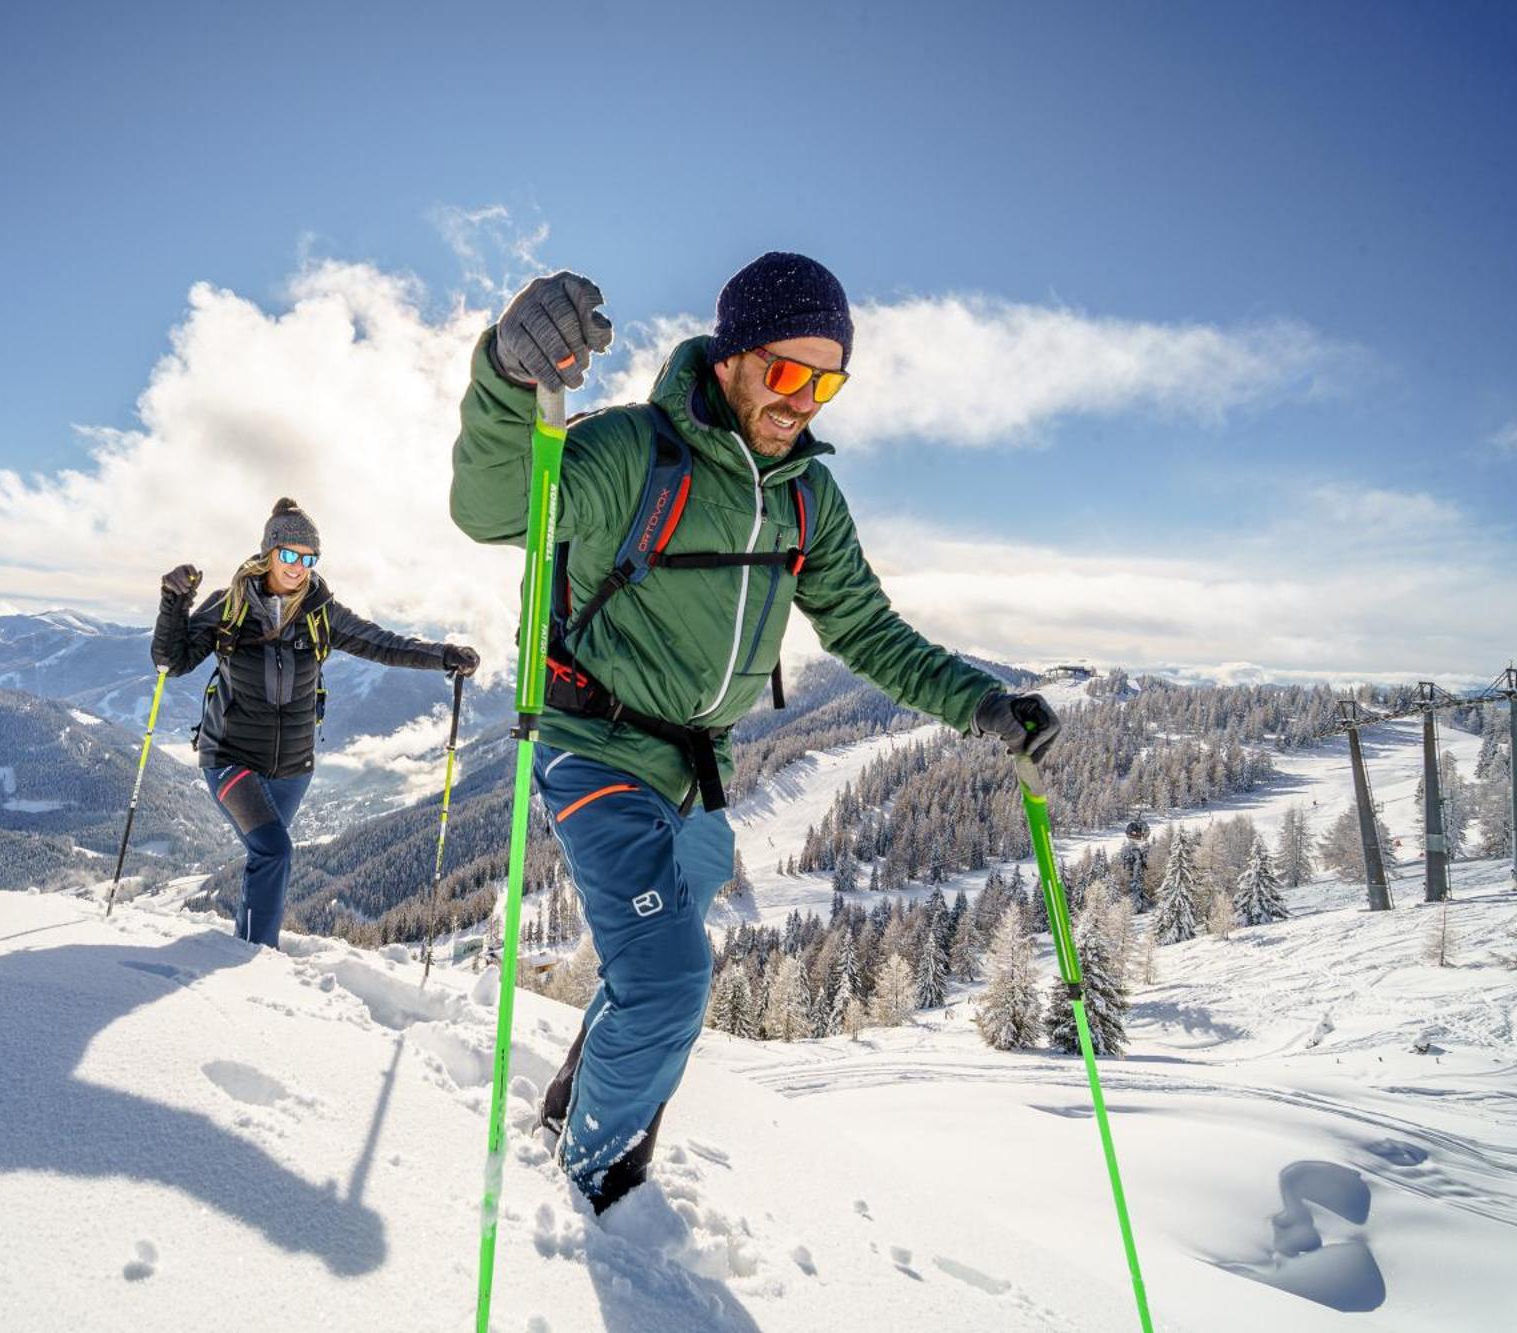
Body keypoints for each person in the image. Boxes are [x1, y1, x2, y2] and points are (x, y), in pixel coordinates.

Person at [449, 254, 1061, 1212]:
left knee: (652, 965)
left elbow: (867, 631)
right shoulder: (630, 454)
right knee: (669, 980)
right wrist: (504, 374)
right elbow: (495, 511)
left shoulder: (808, 500)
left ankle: (569, 1109)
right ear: (732, 356)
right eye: (786, 372)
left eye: (827, 382)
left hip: (703, 771)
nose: (803, 402)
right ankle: (594, 1186)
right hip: (596, 745)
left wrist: (982, 703)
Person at [151, 497, 479, 949]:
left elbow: (381, 644)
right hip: (230, 755)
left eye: (309, 558)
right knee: (275, 850)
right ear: (269, 551)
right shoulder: (229, 606)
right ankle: (257, 956)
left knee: (263, 856)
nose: (298, 566)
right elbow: (172, 660)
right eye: (289, 554)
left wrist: (442, 655)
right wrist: (174, 603)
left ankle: (241, 946)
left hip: (293, 768)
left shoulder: (322, 612)